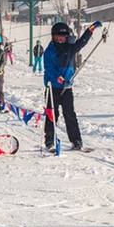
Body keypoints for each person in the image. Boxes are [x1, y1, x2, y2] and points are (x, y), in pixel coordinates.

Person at [43, 20, 101, 151]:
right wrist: (59, 79)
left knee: (70, 115)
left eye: (63, 37)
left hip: (67, 88)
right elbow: (49, 69)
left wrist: (90, 30)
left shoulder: (70, 48)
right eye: (58, 37)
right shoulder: (49, 51)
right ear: (53, 36)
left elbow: (82, 42)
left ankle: (76, 141)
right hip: (53, 88)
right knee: (52, 114)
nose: (60, 40)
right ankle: (49, 141)